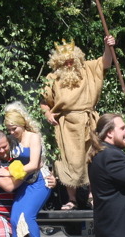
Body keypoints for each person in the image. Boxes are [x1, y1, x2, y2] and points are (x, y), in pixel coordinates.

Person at [41, 35, 116, 210]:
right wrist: (47, 114)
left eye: (71, 60)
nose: (68, 64)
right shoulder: (52, 77)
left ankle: (92, 196)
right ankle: (72, 199)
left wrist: (108, 46)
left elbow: (105, 62)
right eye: (64, 61)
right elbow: (45, 103)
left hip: (88, 120)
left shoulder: (87, 69)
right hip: (65, 123)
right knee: (69, 161)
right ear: (58, 62)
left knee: (92, 157)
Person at [4, 102, 55, 237]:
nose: (11, 132)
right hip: (24, 184)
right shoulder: (11, 141)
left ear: (22, 123)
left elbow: (34, 164)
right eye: (9, 129)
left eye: (14, 128)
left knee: (28, 217)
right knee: (15, 219)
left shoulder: (33, 137)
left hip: (41, 182)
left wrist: (10, 172)